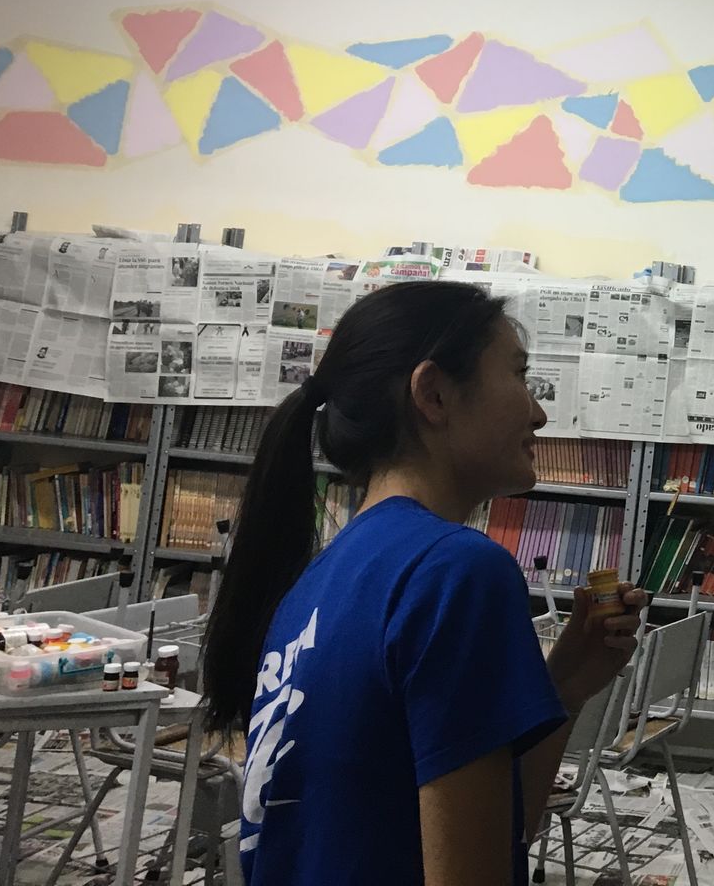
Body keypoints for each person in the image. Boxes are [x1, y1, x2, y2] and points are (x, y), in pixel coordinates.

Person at [201, 280, 647, 885]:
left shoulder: (324, 576)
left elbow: (497, 828)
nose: (539, 413)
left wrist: (564, 685)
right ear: (434, 394)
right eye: (519, 376)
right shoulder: (457, 572)